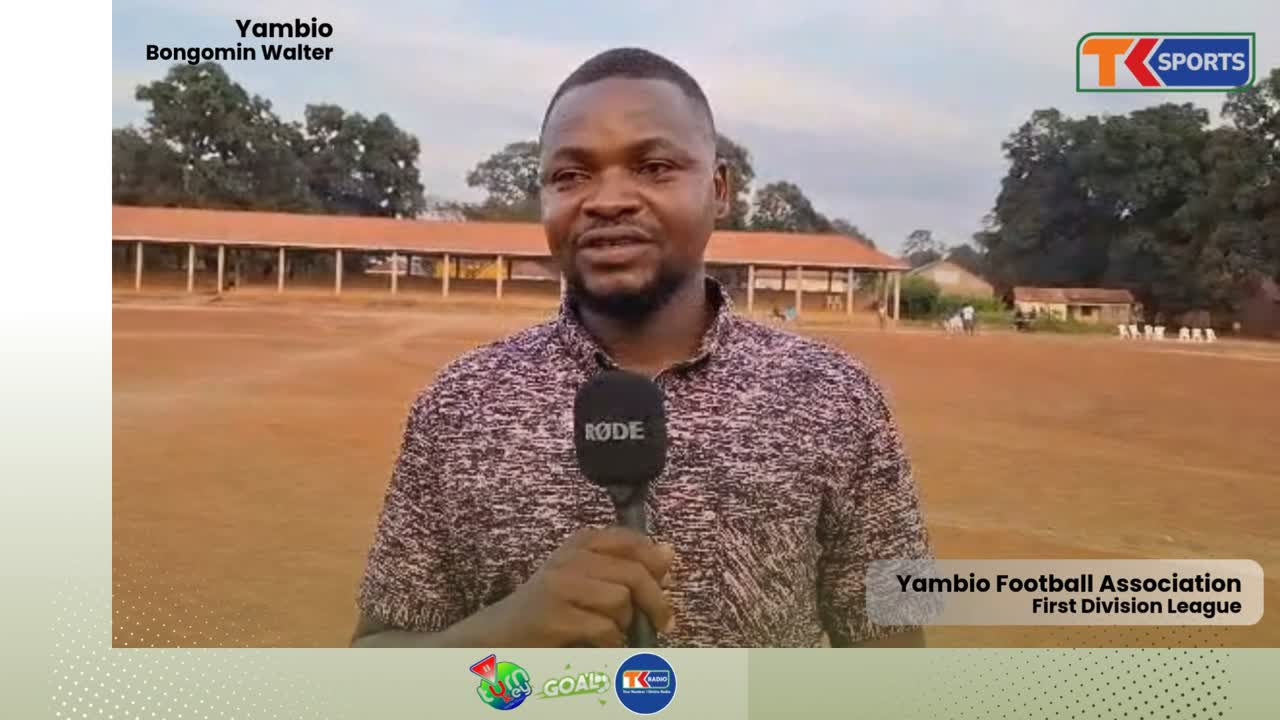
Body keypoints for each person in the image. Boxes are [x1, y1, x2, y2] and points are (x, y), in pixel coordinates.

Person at [350, 48, 932, 649]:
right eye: (570, 176)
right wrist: (496, 639)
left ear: (719, 188)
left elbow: (892, 648)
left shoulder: (834, 394)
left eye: (653, 167)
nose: (608, 200)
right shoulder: (459, 405)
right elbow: (375, 660)